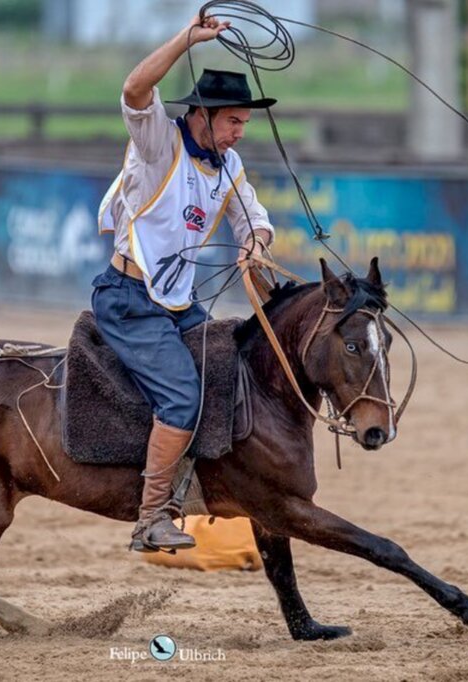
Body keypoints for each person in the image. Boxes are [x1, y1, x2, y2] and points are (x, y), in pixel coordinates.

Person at [94, 14, 276, 552]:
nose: (240, 131)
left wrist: (256, 243)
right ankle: (151, 516)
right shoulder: (158, 144)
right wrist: (186, 39)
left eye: (244, 122)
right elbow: (133, 88)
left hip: (178, 304)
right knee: (179, 398)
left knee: (230, 369)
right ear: (201, 115)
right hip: (129, 299)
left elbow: (255, 218)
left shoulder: (230, 163)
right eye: (234, 122)